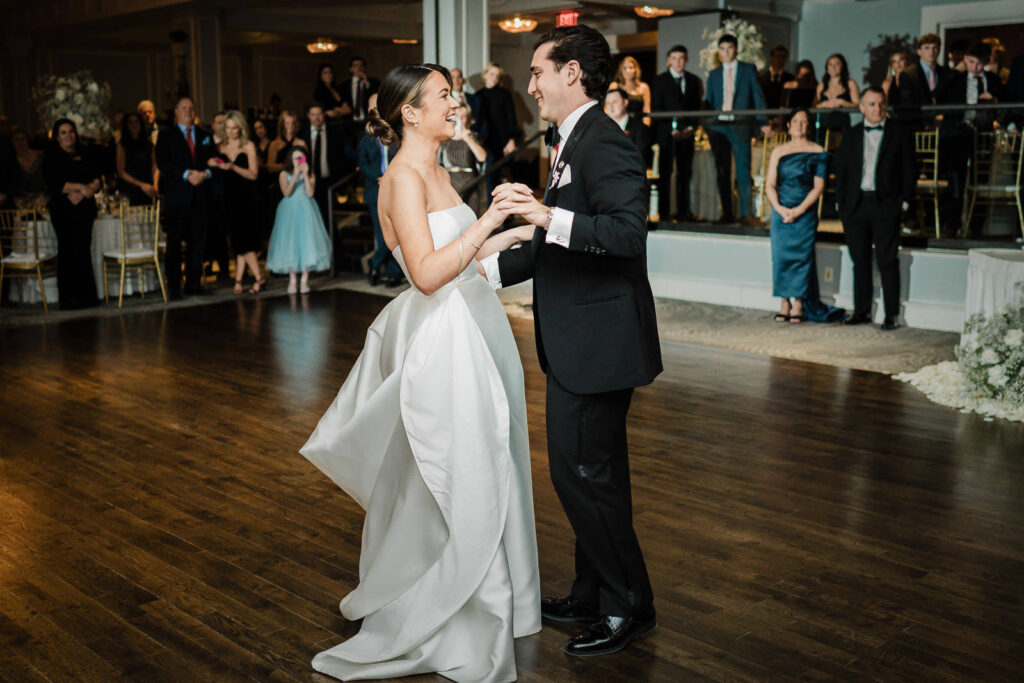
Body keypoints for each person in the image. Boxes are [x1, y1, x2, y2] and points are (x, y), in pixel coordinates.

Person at [300, 63, 541, 680]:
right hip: (445, 340)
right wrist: (488, 222)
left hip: (480, 325)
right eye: (443, 96)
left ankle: (509, 596)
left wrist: (520, 223)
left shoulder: (437, 168)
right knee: (461, 467)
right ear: (410, 111)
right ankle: (454, 593)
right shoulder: (401, 178)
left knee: (500, 450)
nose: (454, 103)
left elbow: (466, 251)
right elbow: (428, 274)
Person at [483, 24, 662, 657]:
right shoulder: (572, 141)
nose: (529, 85)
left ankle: (627, 606)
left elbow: (625, 234)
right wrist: (476, 273)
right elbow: (550, 246)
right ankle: (592, 589)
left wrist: (544, 214)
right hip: (578, 343)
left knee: (584, 476)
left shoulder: (603, 143)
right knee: (589, 473)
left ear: (572, 75)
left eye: (537, 72)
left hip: (599, 344)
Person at [834, 88, 914, 330]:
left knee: (887, 260)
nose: (877, 109)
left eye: (881, 104)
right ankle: (861, 311)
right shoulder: (851, 134)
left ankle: (891, 315)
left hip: (886, 205)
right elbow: (842, 171)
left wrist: (904, 202)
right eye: (871, 104)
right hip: (855, 206)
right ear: (861, 107)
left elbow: (910, 170)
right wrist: (841, 203)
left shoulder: (900, 132)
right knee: (859, 261)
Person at [765, 108, 845, 324]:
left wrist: (798, 211)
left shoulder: (818, 151)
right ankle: (784, 302)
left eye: (804, 122)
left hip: (805, 211)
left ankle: (799, 302)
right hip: (781, 213)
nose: (800, 125)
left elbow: (818, 187)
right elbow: (770, 185)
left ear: (808, 126)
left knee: (802, 258)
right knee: (780, 258)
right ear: (789, 126)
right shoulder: (778, 152)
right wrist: (781, 209)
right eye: (796, 121)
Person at [704, 33, 771, 226]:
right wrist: (708, 124)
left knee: (743, 170)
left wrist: (763, 121)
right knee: (722, 171)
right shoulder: (714, 74)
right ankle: (727, 213)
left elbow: (758, 97)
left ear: (736, 49)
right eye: (723, 48)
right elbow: (709, 101)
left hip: (740, 124)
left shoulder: (748, 70)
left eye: (730, 48)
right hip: (719, 126)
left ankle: (746, 214)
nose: (726, 52)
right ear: (719, 51)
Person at [937, 42, 1002, 233]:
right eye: (973, 62)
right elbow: (938, 95)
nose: (977, 68)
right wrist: (956, 72)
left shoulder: (992, 79)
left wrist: (993, 101)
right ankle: (952, 226)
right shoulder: (955, 78)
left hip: (983, 134)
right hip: (957, 134)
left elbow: (1006, 103)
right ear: (966, 59)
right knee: (955, 180)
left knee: (980, 180)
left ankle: (976, 228)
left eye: (981, 63)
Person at [156, 96, 215, 298]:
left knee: (197, 243)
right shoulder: (165, 136)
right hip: (177, 198)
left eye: (191, 108)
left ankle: (193, 284)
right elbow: (163, 163)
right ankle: (174, 287)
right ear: (176, 112)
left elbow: (214, 160)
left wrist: (205, 174)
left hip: (200, 197)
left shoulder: (205, 135)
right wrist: (186, 174)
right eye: (184, 108)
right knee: (174, 244)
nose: (189, 111)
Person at [41, 118, 101, 309]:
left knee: (84, 250)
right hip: (63, 211)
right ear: (57, 137)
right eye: (64, 133)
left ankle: (87, 297)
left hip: (85, 210)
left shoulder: (85, 153)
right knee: (67, 251)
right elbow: (56, 183)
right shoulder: (51, 156)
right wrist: (81, 188)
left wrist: (88, 189)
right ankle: (68, 298)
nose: (68, 136)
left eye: (71, 131)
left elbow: (97, 178)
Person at [209, 111, 264, 294]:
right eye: (228, 128)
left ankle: (258, 278)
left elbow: (253, 174)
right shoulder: (221, 147)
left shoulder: (248, 145)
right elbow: (213, 166)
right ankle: (239, 281)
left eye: (235, 128)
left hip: (246, 197)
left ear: (241, 128)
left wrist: (232, 167)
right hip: (228, 197)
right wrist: (214, 163)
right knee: (238, 242)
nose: (231, 132)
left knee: (246, 241)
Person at [265, 146, 332, 294]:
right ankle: (292, 279)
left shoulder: (310, 174)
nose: (298, 161)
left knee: (307, 243)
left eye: (301, 158)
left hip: (307, 209)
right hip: (289, 211)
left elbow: (310, 193)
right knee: (290, 244)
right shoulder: (283, 173)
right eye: (296, 158)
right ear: (290, 159)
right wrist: (295, 175)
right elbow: (287, 193)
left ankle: (304, 280)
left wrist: (306, 174)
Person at [651, 43, 703, 221]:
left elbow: (697, 108)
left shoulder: (694, 80)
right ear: (668, 60)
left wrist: (690, 129)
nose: (678, 62)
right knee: (665, 174)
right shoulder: (659, 80)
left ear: (686, 60)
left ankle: (683, 212)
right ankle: (664, 212)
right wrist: (671, 130)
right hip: (666, 135)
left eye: (681, 58)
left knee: (684, 174)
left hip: (687, 135)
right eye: (674, 58)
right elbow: (657, 109)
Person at [358, 92, 402, 286]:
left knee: (397, 231)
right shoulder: (366, 136)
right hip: (375, 191)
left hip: (396, 189)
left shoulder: (395, 131)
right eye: (371, 106)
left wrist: (391, 176)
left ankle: (390, 273)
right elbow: (362, 162)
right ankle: (377, 266)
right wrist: (378, 176)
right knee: (383, 233)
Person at [301, 103, 354, 229]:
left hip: (329, 181)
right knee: (311, 216)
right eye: (313, 115)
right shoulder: (303, 134)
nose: (317, 118)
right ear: (309, 116)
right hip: (309, 181)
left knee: (329, 218)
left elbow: (345, 152)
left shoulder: (335, 132)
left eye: (319, 114)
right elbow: (300, 155)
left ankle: (333, 245)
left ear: (323, 115)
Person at [476, 62, 521, 191]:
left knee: (506, 179)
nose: (494, 77)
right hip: (486, 142)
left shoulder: (505, 94)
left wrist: (512, 140)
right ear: (484, 75)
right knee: (490, 180)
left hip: (503, 142)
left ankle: (509, 210)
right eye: (492, 74)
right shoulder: (478, 95)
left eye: (497, 75)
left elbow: (511, 119)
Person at [439, 102, 488, 213]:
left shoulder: (472, 136)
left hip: (469, 179)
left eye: (463, 117)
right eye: (457, 116)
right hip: (450, 180)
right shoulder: (444, 138)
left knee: (472, 211)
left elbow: (482, 157)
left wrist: (466, 138)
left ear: (468, 119)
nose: (459, 119)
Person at [116, 112, 158, 206]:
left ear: (141, 124)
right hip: (130, 188)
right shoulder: (122, 145)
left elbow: (155, 166)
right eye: (130, 122)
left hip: (147, 188)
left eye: (136, 122)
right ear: (127, 126)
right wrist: (140, 185)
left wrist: (155, 185)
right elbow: (121, 172)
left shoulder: (149, 144)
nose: (134, 125)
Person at [816, 53, 860, 135]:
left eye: (837, 64)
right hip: (823, 126)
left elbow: (857, 105)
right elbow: (816, 106)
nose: (833, 67)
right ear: (827, 67)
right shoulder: (821, 85)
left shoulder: (850, 83)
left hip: (841, 125)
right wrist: (825, 104)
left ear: (842, 66)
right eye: (830, 64)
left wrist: (841, 102)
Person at [605, 87, 650, 166]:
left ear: (625, 102)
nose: (611, 106)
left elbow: (640, 156)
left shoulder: (639, 127)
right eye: (608, 103)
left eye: (614, 102)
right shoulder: (602, 128)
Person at [882, 49, 923, 124]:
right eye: (894, 61)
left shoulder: (915, 81)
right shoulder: (887, 83)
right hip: (893, 120)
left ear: (906, 61)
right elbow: (883, 102)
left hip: (912, 120)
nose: (898, 64)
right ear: (892, 65)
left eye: (901, 60)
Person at [611, 55, 651, 125]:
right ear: (621, 70)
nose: (628, 71)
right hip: (618, 124)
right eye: (625, 68)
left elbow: (646, 110)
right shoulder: (614, 86)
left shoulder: (644, 87)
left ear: (635, 70)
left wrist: (645, 127)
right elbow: (607, 108)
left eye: (631, 68)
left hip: (638, 125)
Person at [341, 56, 380, 123]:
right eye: (356, 66)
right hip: (349, 122)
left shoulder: (373, 82)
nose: (359, 68)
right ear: (351, 69)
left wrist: (367, 84)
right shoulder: (344, 85)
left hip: (368, 120)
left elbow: (377, 97)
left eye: (361, 65)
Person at [11, 127, 46, 199]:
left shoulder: (41, 155)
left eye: (23, 139)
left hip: (44, 199)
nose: (20, 142)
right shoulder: (11, 161)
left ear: (27, 139)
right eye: (17, 140)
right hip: (21, 202)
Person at [914, 33, 948, 105]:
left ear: (939, 50)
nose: (931, 52)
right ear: (919, 51)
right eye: (927, 48)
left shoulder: (945, 72)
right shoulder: (909, 74)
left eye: (935, 47)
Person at [759, 45, 796, 110]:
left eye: (783, 57)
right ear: (772, 57)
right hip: (765, 113)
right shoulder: (761, 77)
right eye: (778, 56)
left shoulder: (790, 78)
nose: (780, 60)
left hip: (784, 115)